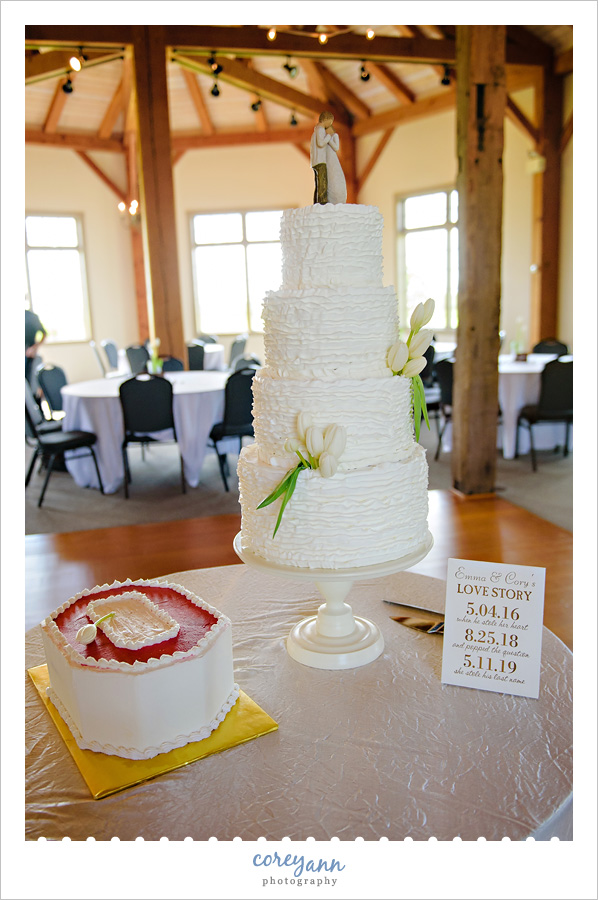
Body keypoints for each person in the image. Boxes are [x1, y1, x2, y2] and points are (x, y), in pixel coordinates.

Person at [25, 307, 47, 385]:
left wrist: (34, 347)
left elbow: (44, 333)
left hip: (29, 354)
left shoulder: (31, 317)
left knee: (30, 381)